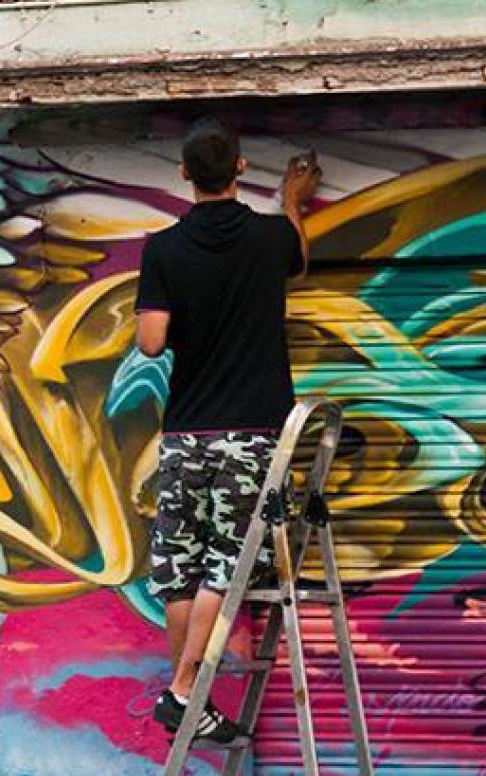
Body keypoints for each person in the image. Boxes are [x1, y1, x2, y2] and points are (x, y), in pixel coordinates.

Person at [134, 118, 321, 744]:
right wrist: (294, 202)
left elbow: (151, 341)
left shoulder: (162, 249)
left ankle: (185, 698)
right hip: (253, 429)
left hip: (187, 430)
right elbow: (297, 261)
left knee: (182, 564)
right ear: (239, 169)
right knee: (230, 563)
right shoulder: (270, 237)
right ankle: (186, 690)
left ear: (184, 175)